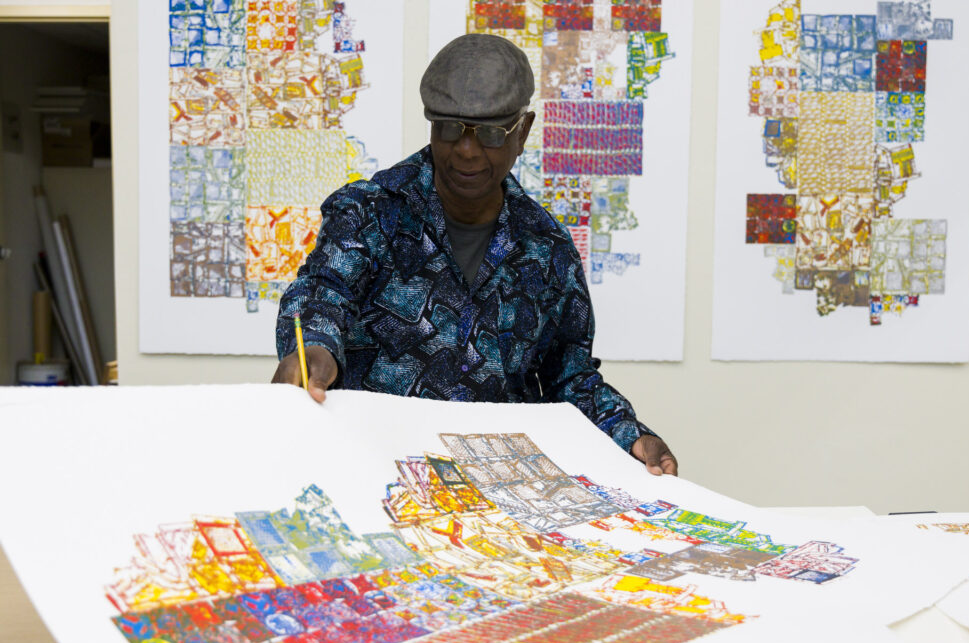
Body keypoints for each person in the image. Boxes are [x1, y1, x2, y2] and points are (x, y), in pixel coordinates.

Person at [272, 33, 677, 476]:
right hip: (371, 473)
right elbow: (323, 293)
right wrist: (314, 347)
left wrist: (631, 434)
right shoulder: (368, 212)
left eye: (489, 134)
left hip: (498, 491)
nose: (466, 150)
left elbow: (569, 374)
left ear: (522, 132)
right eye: (449, 128)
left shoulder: (548, 249)